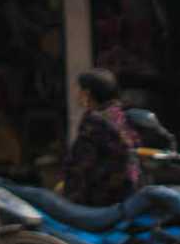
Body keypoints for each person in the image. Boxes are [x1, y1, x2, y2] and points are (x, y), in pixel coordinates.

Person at [61, 69, 142, 207]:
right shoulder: (122, 115)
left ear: (88, 94)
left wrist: (69, 198)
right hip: (128, 194)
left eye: (80, 90)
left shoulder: (95, 121)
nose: (77, 94)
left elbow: (81, 165)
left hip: (100, 199)